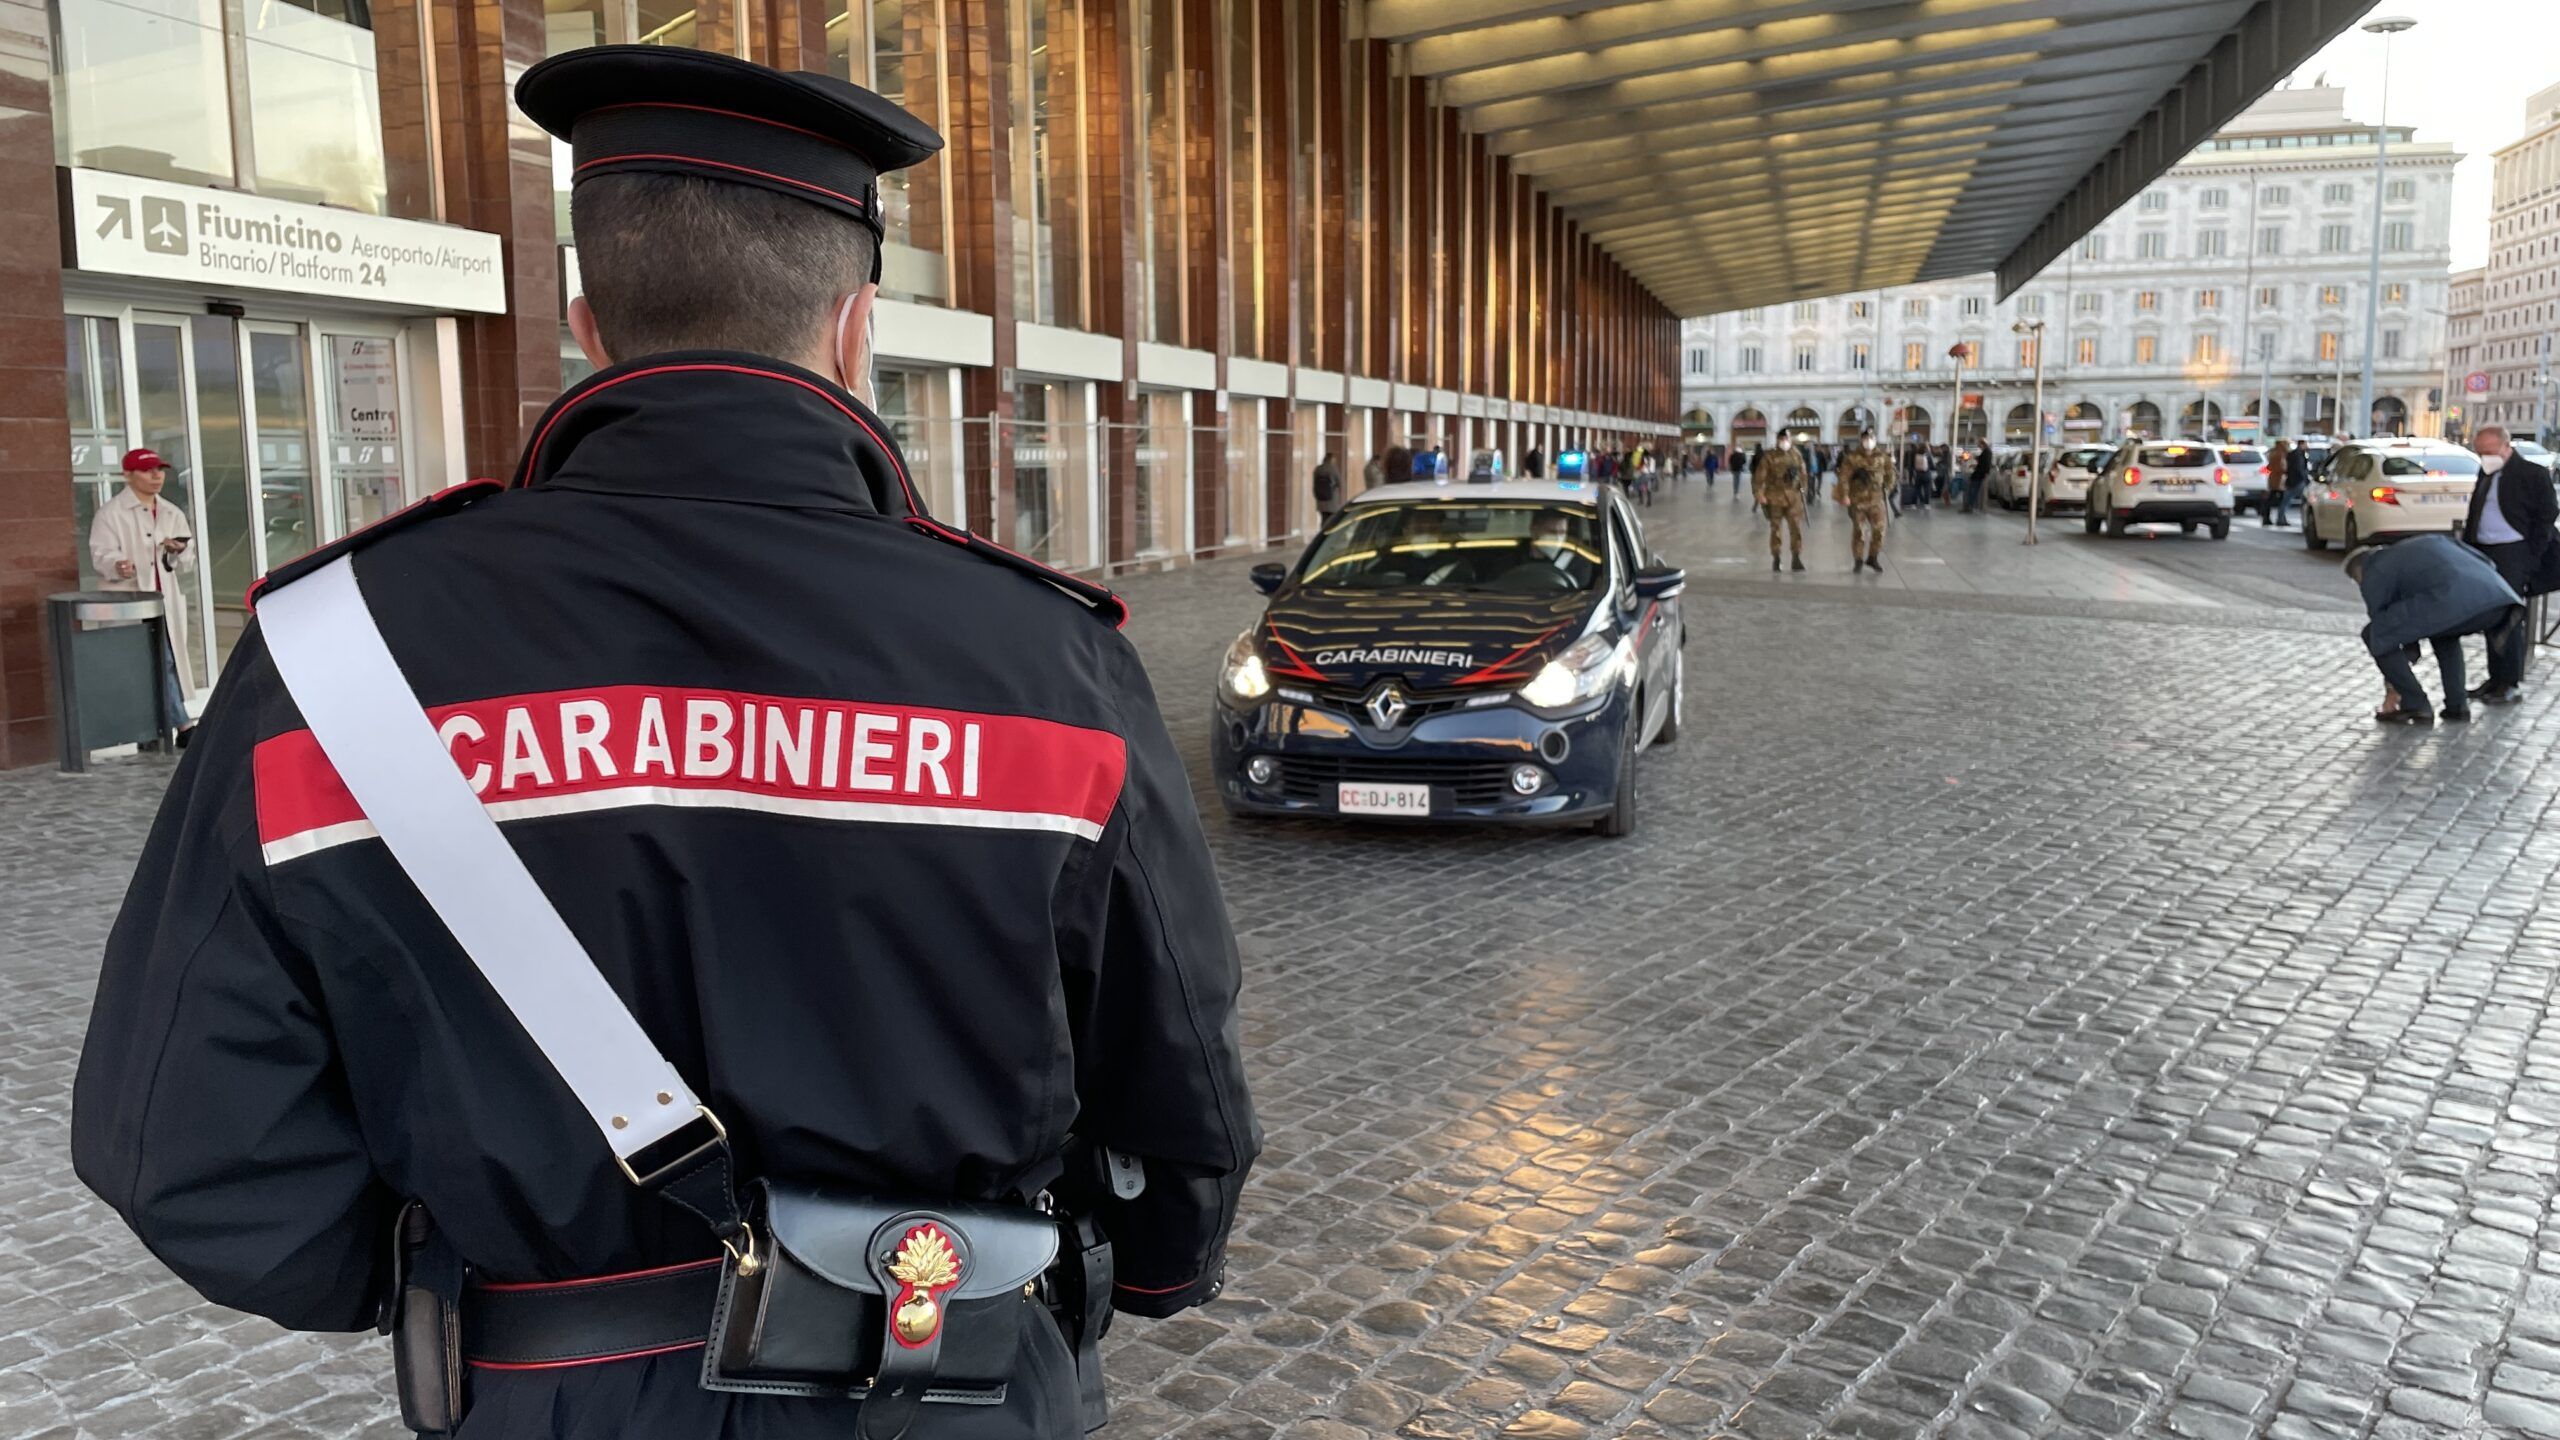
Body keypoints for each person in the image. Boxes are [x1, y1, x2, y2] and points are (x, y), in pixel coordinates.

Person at [72, 46, 1258, 1440]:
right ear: (854, 325)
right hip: (945, 1371)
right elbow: (1176, 1077)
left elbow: (179, 1144)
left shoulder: (331, 659)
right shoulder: (1050, 663)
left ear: (587, 318)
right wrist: (1155, 1266)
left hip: (540, 1393)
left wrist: (478, 1288)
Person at [2349, 535, 2526, 723]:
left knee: (2373, 633)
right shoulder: (2429, 542)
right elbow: (2486, 561)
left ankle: (2415, 704)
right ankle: (2457, 706)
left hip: (2451, 600)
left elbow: (2383, 631)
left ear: (2359, 573)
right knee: (2443, 632)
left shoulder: (2374, 571)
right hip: (2498, 598)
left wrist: (2393, 686)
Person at [88, 447, 197, 741]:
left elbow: (187, 561)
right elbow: (101, 554)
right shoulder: (111, 514)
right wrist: (117, 565)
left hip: (164, 601)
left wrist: (180, 550)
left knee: (164, 659)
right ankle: (182, 725)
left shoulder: (171, 512)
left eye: (159, 470)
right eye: (147, 470)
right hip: (130, 602)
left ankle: (157, 729)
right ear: (128, 474)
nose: (156, 476)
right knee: (151, 662)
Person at [1836, 431, 1895, 572]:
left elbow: (1890, 474)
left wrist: (1887, 487)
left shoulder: (1882, 457)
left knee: (1880, 530)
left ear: (1875, 440)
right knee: (1859, 531)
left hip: (1876, 500)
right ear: (1861, 440)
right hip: (1858, 500)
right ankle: (1858, 560)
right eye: (1866, 438)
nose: (1868, 441)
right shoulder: (1852, 458)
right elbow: (1844, 477)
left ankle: (1873, 557)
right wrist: (1845, 495)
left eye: (1871, 438)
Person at [1754, 434, 1808, 572]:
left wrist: (1803, 489)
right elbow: (1760, 475)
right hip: (1775, 497)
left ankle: (1796, 557)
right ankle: (1776, 558)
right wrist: (1759, 493)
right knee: (1776, 529)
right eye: (1782, 439)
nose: (1784, 442)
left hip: (1793, 498)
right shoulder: (1770, 456)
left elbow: (1803, 474)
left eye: (1787, 439)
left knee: (1796, 528)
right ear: (1778, 440)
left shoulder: (1797, 455)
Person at [1312, 451, 1344, 516]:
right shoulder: (1333, 468)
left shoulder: (1318, 469)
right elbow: (1340, 483)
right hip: (1331, 500)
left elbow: (1315, 484)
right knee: (1331, 520)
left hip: (1321, 499)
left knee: (1324, 519)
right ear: (1331, 459)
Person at [1965, 444, 1992, 514]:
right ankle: (1976, 506)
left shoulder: (1986, 453)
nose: (1979, 447)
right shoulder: (1987, 452)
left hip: (1979, 475)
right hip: (1980, 475)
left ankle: (1971, 506)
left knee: (1973, 490)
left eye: (1980, 445)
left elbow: (1983, 464)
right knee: (1976, 491)